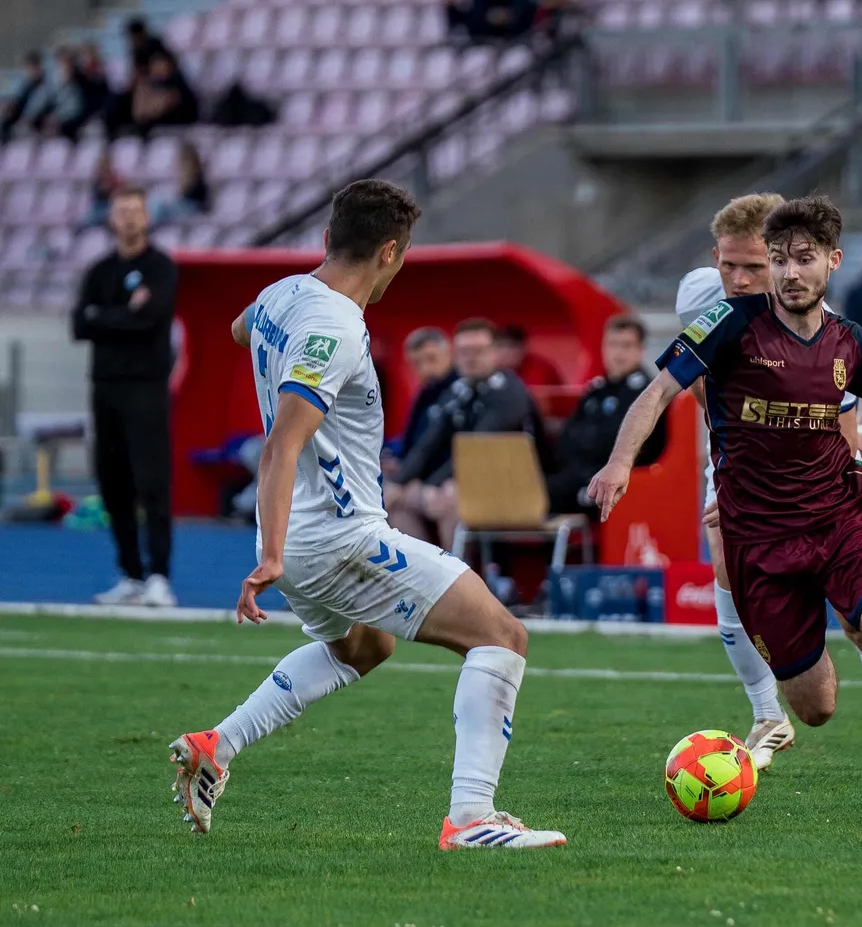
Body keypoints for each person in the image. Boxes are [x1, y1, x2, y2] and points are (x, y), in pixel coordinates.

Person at [591, 194, 862, 814]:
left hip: (838, 520)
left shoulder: (851, 343)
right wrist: (620, 463)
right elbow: (658, 391)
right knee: (817, 706)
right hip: (761, 542)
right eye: (778, 259)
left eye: (803, 259)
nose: (788, 272)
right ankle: (804, 662)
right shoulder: (730, 323)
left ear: (832, 262)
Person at [170, 179, 565, 849]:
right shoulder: (337, 329)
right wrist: (271, 552)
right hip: (338, 539)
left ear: (326, 239)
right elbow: (283, 442)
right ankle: (471, 818)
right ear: (390, 253)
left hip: (300, 539)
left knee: (364, 644)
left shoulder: (282, 295)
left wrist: (276, 545)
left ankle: (219, 743)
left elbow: (243, 330)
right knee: (502, 635)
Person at [674, 194, 862, 775]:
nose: (737, 280)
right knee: (722, 559)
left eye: (753, 268)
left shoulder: (815, 318)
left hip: (819, 457)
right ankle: (767, 713)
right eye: (728, 266)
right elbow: (695, 386)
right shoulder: (699, 298)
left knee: (860, 623)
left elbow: (833, 416)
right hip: (743, 454)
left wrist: (833, 475)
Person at [72, 187, 179, 608]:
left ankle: (159, 576)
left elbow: (150, 321)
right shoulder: (99, 271)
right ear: (112, 218)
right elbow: (79, 324)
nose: (130, 219)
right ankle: (131, 574)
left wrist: (105, 317)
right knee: (113, 483)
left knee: (151, 482)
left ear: (147, 218)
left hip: (146, 388)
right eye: (122, 211)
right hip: (105, 388)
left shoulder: (160, 268)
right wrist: (123, 315)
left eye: (137, 211)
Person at [388, 318, 548, 551]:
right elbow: (427, 444)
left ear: (495, 352)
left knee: (451, 498)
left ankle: (457, 576)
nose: (470, 357)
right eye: (464, 351)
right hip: (469, 484)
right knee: (396, 500)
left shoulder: (509, 392)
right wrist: (398, 482)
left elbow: (475, 449)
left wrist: (435, 483)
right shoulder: (458, 391)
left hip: (516, 486)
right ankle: (423, 575)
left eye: (479, 350)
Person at [545, 315, 667, 516]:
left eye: (627, 346)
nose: (618, 353)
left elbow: (622, 445)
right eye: (613, 345)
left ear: (640, 350)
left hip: (624, 485)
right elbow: (567, 439)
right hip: (579, 477)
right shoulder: (596, 391)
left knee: (548, 495)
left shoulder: (647, 394)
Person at [390, 327, 456, 466]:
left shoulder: (464, 393)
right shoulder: (425, 395)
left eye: (432, 359)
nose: (425, 369)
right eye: (417, 363)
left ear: (449, 354)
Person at [150, 142, 212, 225]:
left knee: (160, 205)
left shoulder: (195, 176)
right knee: (156, 199)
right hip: (184, 207)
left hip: (192, 209)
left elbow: (185, 195)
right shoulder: (186, 175)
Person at [494, 324, 562, 392]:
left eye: (511, 346)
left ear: (524, 347)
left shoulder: (542, 369)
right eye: (500, 346)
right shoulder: (491, 370)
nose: (506, 352)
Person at [0, 51, 49, 142]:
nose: (29, 71)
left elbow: (38, 107)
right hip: (22, 120)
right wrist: (8, 108)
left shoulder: (45, 86)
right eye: (27, 68)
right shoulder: (26, 86)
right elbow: (17, 102)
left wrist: (25, 120)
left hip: (36, 121)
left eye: (32, 67)